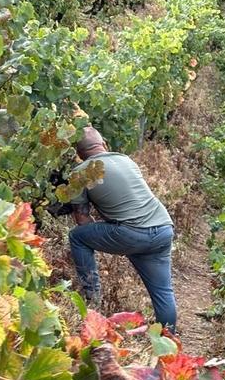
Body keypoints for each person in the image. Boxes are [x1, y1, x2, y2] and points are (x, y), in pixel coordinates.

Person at [66, 126, 178, 333]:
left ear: (79, 154)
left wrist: (106, 234)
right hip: (163, 228)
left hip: (131, 233)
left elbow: (82, 221)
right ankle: (169, 340)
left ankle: (93, 298)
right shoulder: (126, 159)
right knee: (163, 291)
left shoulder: (79, 173)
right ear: (104, 144)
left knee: (78, 237)